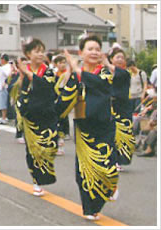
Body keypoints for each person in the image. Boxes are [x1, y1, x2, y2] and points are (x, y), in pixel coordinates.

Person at [56, 35, 119, 220]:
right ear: (81, 53)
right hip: (84, 126)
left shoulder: (104, 72)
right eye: (90, 49)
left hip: (104, 125)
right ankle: (90, 208)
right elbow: (64, 99)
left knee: (106, 167)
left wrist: (77, 70)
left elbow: (101, 86)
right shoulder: (76, 75)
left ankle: (109, 187)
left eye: (97, 49)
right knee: (84, 171)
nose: (94, 52)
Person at [16, 38, 58, 196]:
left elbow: (47, 87)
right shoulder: (24, 70)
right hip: (31, 115)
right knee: (32, 149)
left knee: (49, 147)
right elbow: (20, 89)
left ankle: (45, 174)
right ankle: (36, 180)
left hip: (47, 113)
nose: (41, 54)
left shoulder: (48, 71)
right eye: (37, 51)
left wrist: (27, 73)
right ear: (28, 54)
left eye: (42, 51)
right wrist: (21, 77)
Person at [106, 47, 135, 171]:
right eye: (117, 57)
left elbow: (115, 70)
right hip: (109, 106)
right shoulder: (105, 73)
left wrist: (105, 61)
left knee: (122, 133)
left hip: (122, 107)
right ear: (112, 59)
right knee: (109, 133)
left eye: (122, 57)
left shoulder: (125, 73)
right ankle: (110, 159)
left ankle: (119, 160)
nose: (120, 59)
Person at [53, 55, 70, 155]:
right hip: (54, 101)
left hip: (63, 100)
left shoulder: (67, 75)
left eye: (64, 62)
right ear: (56, 64)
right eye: (60, 62)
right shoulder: (54, 74)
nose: (63, 65)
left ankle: (61, 145)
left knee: (62, 122)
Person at [0, 53, 11, 124]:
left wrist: (5, 82)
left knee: (3, 102)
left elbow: (8, 75)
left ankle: (4, 117)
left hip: (4, 87)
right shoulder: (3, 67)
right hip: (0, 86)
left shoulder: (7, 67)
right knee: (1, 102)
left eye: (1, 59)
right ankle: (3, 117)